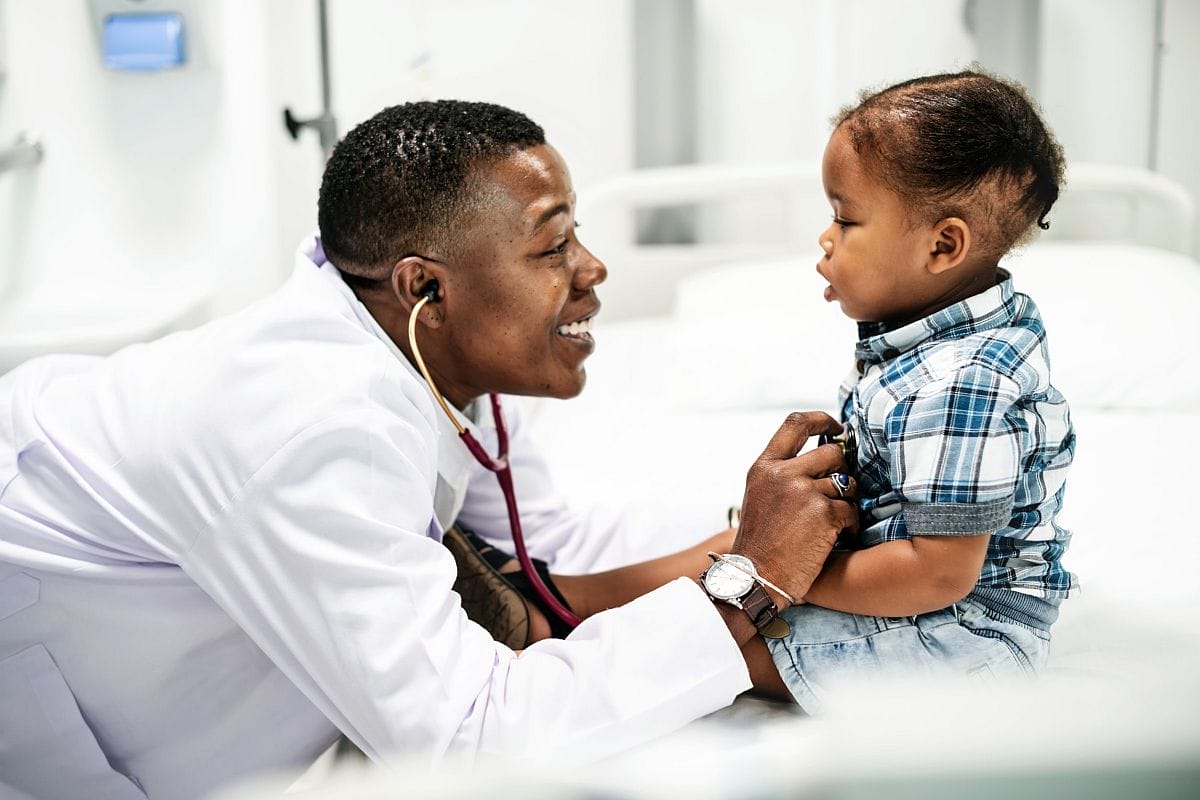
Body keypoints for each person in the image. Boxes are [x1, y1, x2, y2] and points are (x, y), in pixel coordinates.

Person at [0, 100, 856, 800]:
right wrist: (750, 583)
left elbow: (555, 554)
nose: (593, 269)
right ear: (426, 288)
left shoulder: (422, 351)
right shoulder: (317, 428)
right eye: (552, 245)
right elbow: (466, 740)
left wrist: (771, 538)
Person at [758, 71, 1077, 711]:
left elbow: (935, 573)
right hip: (909, 583)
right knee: (718, 577)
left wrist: (781, 577)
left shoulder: (964, 381)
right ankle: (560, 599)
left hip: (966, 634)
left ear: (942, 245)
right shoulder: (935, 330)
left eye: (845, 219)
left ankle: (552, 630)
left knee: (715, 646)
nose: (826, 238)